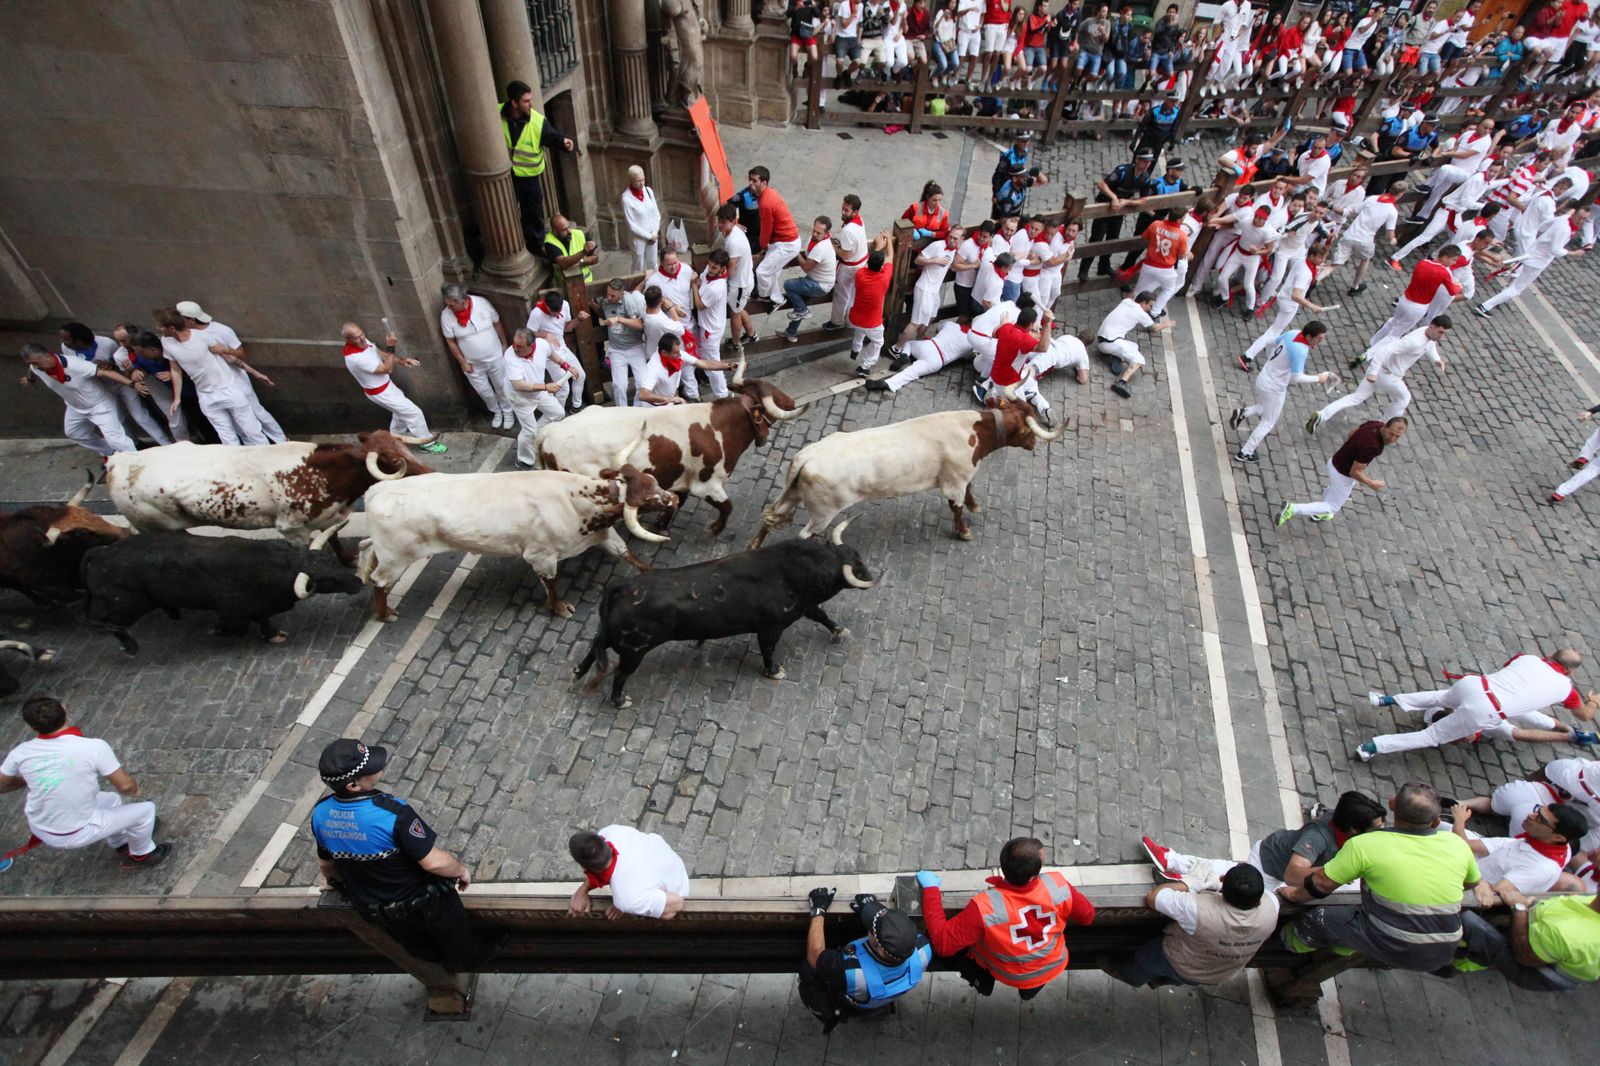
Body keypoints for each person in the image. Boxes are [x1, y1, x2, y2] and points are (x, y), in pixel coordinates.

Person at [311, 738, 497, 971]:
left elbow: (327, 865)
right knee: (458, 937)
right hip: (424, 904)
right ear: (354, 786)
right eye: (369, 769)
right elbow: (433, 863)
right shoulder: (392, 814)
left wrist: (332, 883)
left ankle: (437, 964)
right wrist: (461, 870)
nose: (378, 767)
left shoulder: (320, 813)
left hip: (379, 911)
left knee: (417, 946)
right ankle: (473, 961)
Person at [1280, 783, 1479, 972]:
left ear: (1392, 803)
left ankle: (1286, 945)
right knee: (1357, 919)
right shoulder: (1457, 844)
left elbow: (1322, 883)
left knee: (1317, 918)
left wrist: (1293, 895)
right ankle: (1343, 948)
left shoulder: (1365, 844)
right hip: (1443, 952)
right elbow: (1471, 882)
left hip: (1392, 942)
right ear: (1436, 822)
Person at [0, 695, 170, 871]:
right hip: (74, 832)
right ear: (64, 710)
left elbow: (1, 785)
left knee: (111, 800)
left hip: (41, 825)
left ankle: (121, 842)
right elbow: (125, 786)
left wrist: (30, 779)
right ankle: (142, 854)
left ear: (31, 726)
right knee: (146, 811)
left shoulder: (20, 753)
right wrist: (134, 789)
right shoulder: (93, 747)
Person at [918, 836, 1094, 999]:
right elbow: (1087, 917)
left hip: (1009, 973)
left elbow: (943, 943)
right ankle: (1028, 989)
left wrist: (931, 890)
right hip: (1053, 962)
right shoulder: (1057, 885)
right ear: (1033, 876)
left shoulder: (985, 906)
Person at [1359, 649, 1600, 761]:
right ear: (1569, 671)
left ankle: (1387, 699)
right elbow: (1584, 714)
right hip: (1488, 708)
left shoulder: (1528, 658)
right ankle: (1373, 746)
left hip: (1475, 684)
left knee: (1440, 697)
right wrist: (1594, 702)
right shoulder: (1565, 687)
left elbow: (1510, 670)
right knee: (1430, 737)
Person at [1143, 791, 1387, 893]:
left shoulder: (1346, 823)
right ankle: (1184, 876)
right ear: (1354, 829)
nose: (1382, 831)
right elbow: (1293, 875)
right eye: (1376, 827)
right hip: (1270, 866)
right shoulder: (1317, 837)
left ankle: (1173, 859)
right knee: (1233, 882)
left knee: (1231, 871)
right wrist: (1339, 871)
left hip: (1276, 862)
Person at [1105, 863, 1277, 988]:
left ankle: (1130, 976)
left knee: (1146, 959)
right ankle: (1160, 981)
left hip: (1179, 961)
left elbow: (1154, 897)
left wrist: (1188, 883)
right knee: (1183, 976)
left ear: (1222, 881)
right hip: (1221, 972)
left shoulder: (1197, 909)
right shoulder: (1272, 906)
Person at [798, 887, 933, 1032]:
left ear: (880, 949)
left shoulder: (851, 971)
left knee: (807, 969)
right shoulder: (924, 949)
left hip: (845, 1002)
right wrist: (873, 910)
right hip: (871, 1002)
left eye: (872, 929)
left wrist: (818, 909)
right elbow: (898, 934)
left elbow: (815, 957)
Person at [152, 307, 270, 446]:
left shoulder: (202, 337)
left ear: (171, 328)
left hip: (228, 389)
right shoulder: (166, 342)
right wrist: (177, 398)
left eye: (160, 326)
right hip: (205, 396)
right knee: (227, 438)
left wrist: (255, 372)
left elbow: (228, 358)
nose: (158, 328)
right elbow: (175, 370)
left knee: (252, 431)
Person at [1308, 318, 1449, 432]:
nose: (1441, 336)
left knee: (1356, 398)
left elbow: (1430, 346)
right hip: (1388, 375)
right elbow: (1385, 350)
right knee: (1404, 398)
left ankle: (1322, 415)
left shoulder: (1427, 333)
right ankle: (1384, 427)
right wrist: (1374, 372)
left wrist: (1436, 359)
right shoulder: (1413, 342)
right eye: (1440, 332)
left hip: (1381, 371)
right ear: (1431, 326)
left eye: (1444, 333)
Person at [176, 301, 287, 444]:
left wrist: (225, 350)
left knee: (257, 412)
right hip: (217, 384)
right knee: (239, 421)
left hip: (236, 378)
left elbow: (240, 353)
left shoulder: (221, 330)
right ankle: (251, 446)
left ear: (190, 319)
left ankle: (282, 440)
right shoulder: (188, 336)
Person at [1458, 884, 1600, 991]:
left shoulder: (1572, 935)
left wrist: (1519, 908)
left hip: (1533, 967)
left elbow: (1524, 954)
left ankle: (1448, 965)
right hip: (1542, 938)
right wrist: (1533, 906)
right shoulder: (1594, 902)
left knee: (1466, 919)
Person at [1231, 321, 1335, 464]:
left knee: (1265, 407)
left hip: (1263, 378)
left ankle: (1244, 413)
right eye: (1319, 338)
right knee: (1268, 422)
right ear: (1310, 336)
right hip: (1274, 388)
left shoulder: (1293, 332)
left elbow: (1271, 343)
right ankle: (1246, 452)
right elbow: (1296, 377)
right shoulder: (1301, 350)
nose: (1321, 341)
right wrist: (1318, 378)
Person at [338, 321, 447, 453]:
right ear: (347, 339)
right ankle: (427, 444)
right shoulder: (355, 358)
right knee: (414, 413)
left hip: (387, 387)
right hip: (381, 392)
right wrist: (391, 346)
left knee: (400, 413)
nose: (362, 338)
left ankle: (394, 440)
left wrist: (402, 360)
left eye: (362, 334)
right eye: (357, 337)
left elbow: (378, 352)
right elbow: (386, 369)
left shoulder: (363, 342)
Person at [1277, 416, 1406, 526]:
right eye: (1391, 434)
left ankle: (1321, 514)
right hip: (1342, 474)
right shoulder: (1373, 447)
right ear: (1385, 427)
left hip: (1335, 461)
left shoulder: (1374, 423)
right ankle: (1292, 509)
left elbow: (1351, 434)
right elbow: (1354, 472)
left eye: (1397, 436)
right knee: (1332, 507)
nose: (1393, 439)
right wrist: (1371, 483)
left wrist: (1352, 449)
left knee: (1333, 491)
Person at [1450, 800, 1589, 901]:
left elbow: (1492, 894)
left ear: (1558, 837)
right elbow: (1468, 845)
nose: (1531, 815)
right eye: (1537, 811)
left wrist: (1459, 821)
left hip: (1463, 884)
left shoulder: (1538, 868)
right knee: (1444, 827)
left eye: (1540, 819)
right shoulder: (1553, 845)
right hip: (1483, 861)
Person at [60, 321, 171, 447]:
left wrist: (111, 365)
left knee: (140, 415)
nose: (65, 343)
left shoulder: (106, 343)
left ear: (79, 339)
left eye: (68, 339)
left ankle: (165, 443)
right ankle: (134, 444)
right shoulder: (66, 349)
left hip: (123, 384)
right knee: (117, 419)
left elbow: (120, 361)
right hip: (102, 388)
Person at [19, 342, 137, 458]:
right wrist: (30, 379)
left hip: (100, 405)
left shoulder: (74, 365)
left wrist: (132, 384)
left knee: (116, 440)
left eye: (35, 362)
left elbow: (105, 372)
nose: (35, 366)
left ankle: (139, 462)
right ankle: (109, 452)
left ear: (47, 355)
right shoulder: (36, 368)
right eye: (31, 364)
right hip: (75, 407)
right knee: (74, 433)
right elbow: (32, 370)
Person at [1475, 206, 1590, 319]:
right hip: (1537, 261)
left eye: (1584, 219)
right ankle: (1485, 306)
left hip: (1532, 253)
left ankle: (1501, 296)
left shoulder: (1564, 218)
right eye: (1580, 217)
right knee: (1516, 288)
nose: (1581, 221)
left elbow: (1544, 225)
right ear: (1575, 214)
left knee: (1516, 281)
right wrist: (1574, 253)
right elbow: (1557, 250)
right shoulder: (1564, 229)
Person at [501, 80, 575, 248]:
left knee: (533, 212)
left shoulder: (537, 122)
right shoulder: (498, 113)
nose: (531, 104)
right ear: (514, 103)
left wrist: (564, 143)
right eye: (526, 101)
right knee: (505, 210)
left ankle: (536, 245)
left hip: (529, 176)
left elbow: (552, 136)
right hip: (506, 175)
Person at [567, 825, 691, 919]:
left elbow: (678, 904)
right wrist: (582, 891)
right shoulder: (611, 832)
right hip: (664, 858)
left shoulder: (628, 898)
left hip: (677, 885)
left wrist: (628, 905)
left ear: (583, 868)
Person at [1244, 244, 1330, 368]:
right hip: (1289, 304)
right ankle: (1248, 356)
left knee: (1275, 330)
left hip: (1283, 297)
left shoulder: (1302, 262)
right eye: (1321, 258)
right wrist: (1311, 306)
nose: (1322, 261)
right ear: (1312, 256)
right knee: (1273, 332)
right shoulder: (1305, 273)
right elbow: (1296, 295)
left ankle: (1269, 355)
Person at [439, 285, 512, 429]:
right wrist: (462, 362)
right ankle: (496, 411)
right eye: (448, 304)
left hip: (494, 356)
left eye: (453, 305)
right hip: (472, 363)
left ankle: (508, 412)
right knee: (483, 390)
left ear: (463, 301)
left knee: (502, 386)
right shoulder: (446, 315)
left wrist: (504, 344)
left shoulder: (482, 303)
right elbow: (450, 341)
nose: (450, 308)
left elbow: (497, 323)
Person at [1081, 149, 1156, 280]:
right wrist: (1114, 198)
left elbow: (1143, 199)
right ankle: (1084, 270)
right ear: (1137, 160)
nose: (1147, 165)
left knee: (1113, 239)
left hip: (1120, 210)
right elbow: (1102, 184)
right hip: (1105, 207)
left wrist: (1127, 202)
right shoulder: (1122, 171)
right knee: (1096, 239)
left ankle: (1104, 265)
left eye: (1149, 162)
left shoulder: (1145, 178)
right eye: (1144, 161)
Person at [112, 326, 189, 443]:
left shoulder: (153, 343)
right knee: (173, 415)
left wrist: (174, 373)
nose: (121, 344)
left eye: (124, 340)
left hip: (181, 381)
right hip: (154, 384)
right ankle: (183, 444)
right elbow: (132, 374)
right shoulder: (120, 355)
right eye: (119, 341)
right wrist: (133, 373)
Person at [1326, 180, 1404, 296]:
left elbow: (1356, 211)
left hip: (1350, 234)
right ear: (1400, 194)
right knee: (1365, 259)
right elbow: (1389, 235)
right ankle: (1355, 286)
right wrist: (1392, 239)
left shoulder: (1372, 198)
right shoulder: (1392, 211)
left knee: (1334, 264)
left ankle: (1315, 281)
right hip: (1366, 240)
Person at [502, 328, 566, 468]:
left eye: (520, 346)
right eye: (514, 344)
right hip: (520, 398)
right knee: (528, 430)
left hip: (538, 391)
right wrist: (545, 387)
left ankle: (536, 435)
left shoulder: (542, 345)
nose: (515, 348)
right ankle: (524, 460)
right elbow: (518, 385)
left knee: (558, 413)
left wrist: (565, 365)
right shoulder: (510, 355)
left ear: (531, 345)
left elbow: (552, 354)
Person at [896, 225, 963, 354]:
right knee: (916, 322)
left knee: (931, 317)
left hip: (934, 291)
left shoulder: (955, 249)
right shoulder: (937, 246)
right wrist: (935, 260)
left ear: (961, 239)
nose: (952, 240)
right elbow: (918, 259)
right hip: (924, 288)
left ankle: (919, 342)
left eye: (956, 239)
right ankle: (897, 348)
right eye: (951, 237)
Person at [1098, 290, 1172, 398]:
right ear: (1143, 303)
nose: (1150, 309)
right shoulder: (1140, 313)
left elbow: (1131, 295)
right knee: (1139, 359)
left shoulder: (1126, 301)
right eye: (1149, 305)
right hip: (1110, 343)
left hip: (1103, 339)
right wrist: (1168, 323)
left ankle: (1117, 356)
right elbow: (1154, 328)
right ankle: (1122, 382)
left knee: (1134, 346)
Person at [871, 316, 976, 393]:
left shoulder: (951, 325)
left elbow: (937, 329)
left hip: (930, 345)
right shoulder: (971, 344)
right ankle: (889, 383)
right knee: (912, 372)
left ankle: (905, 355)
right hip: (938, 360)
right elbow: (967, 357)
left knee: (910, 344)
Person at [525, 290, 589, 409]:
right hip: (549, 354)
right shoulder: (537, 313)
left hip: (562, 347)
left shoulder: (565, 305)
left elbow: (567, 327)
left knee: (580, 375)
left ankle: (576, 406)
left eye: (558, 311)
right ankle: (557, 415)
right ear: (546, 305)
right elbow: (529, 333)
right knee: (563, 388)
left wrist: (579, 319)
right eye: (552, 312)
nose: (556, 315)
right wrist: (545, 334)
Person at [749, 167, 802, 303]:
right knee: (771, 271)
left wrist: (763, 246)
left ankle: (765, 297)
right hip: (785, 241)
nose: (750, 183)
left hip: (786, 244)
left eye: (754, 180)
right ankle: (776, 298)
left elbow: (766, 228)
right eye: (750, 180)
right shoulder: (770, 193)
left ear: (764, 183)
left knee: (762, 272)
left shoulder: (766, 203)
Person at [782, 216, 838, 343]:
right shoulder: (814, 239)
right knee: (800, 303)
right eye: (814, 230)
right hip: (814, 279)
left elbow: (807, 267)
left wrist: (795, 253)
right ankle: (791, 332)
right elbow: (807, 257)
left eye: (819, 233)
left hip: (820, 285)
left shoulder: (822, 247)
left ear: (826, 233)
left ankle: (802, 310)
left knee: (789, 285)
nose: (814, 234)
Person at [1128, 208, 1190, 319]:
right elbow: (1180, 256)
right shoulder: (1182, 235)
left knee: (1139, 289)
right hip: (1166, 269)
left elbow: (1144, 237)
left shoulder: (1156, 224)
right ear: (1179, 220)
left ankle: (1131, 308)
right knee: (1168, 289)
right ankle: (1155, 312)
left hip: (1149, 265)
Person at [847, 233, 894, 376]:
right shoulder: (884, 277)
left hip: (854, 318)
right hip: (872, 324)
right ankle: (865, 366)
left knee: (860, 329)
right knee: (878, 342)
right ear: (881, 267)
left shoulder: (860, 274)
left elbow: (868, 263)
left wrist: (878, 247)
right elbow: (891, 257)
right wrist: (889, 240)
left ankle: (855, 349)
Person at [598, 277, 649, 407]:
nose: (609, 297)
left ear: (622, 294)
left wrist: (619, 319)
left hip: (635, 346)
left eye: (613, 295)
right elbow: (603, 312)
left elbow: (639, 324)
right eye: (608, 293)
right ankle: (622, 411)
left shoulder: (628, 301)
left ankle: (638, 410)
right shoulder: (605, 301)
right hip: (616, 349)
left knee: (642, 383)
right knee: (619, 385)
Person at [715, 204, 758, 349]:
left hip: (739, 284)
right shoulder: (734, 231)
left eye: (724, 222)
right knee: (739, 309)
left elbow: (730, 270)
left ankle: (735, 343)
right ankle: (751, 334)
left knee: (735, 314)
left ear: (733, 221)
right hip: (744, 280)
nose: (720, 225)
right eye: (719, 221)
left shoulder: (733, 241)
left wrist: (717, 280)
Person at [827, 194, 869, 332]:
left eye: (846, 210)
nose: (843, 212)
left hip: (849, 267)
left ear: (855, 212)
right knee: (852, 294)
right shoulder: (859, 221)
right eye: (843, 209)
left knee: (841, 295)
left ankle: (837, 321)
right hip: (861, 263)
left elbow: (846, 254)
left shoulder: (848, 230)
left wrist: (833, 247)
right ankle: (850, 320)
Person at [621, 165, 662, 273]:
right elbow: (632, 225)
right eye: (638, 181)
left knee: (653, 263)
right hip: (638, 239)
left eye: (643, 179)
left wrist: (654, 232)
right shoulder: (626, 198)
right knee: (638, 265)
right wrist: (648, 236)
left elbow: (656, 214)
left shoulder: (648, 191)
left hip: (653, 234)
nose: (642, 183)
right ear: (631, 180)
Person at [544, 214, 599, 289]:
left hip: (587, 284)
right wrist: (584, 252)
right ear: (555, 231)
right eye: (564, 230)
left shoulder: (579, 234)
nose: (569, 231)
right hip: (567, 287)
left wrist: (581, 261)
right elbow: (563, 263)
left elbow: (595, 259)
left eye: (568, 227)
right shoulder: (550, 242)